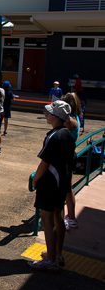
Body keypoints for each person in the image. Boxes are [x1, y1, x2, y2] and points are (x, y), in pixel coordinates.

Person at [30, 100, 75, 271]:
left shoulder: (53, 136)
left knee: (47, 219)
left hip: (50, 183)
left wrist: (35, 180)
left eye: (49, 113)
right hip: (62, 181)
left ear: (56, 117)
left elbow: (44, 163)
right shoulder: (68, 134)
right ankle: (57, 254)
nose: (47, 115)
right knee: (59, 216)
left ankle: (50, 259)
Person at [62, 92, 82, 231]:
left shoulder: (70, 121)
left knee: (64, 190)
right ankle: (71, 217)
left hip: (65, 157)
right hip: (69, 155)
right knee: (67, 189)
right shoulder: (76, 117)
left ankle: (66, 218)